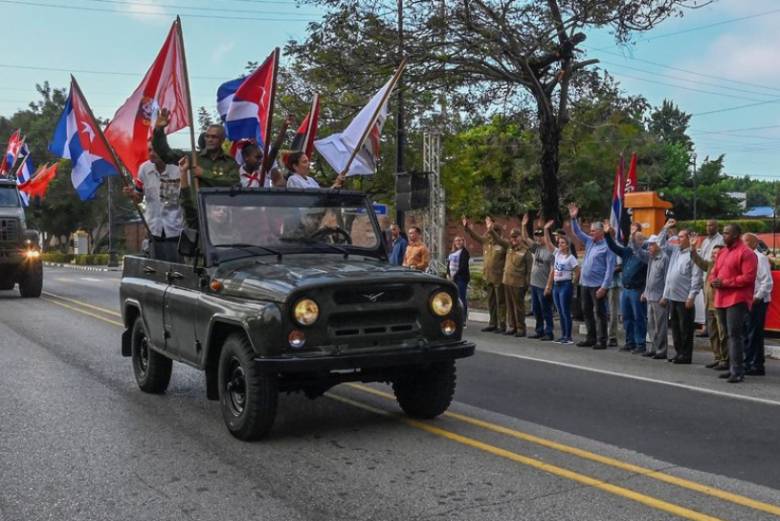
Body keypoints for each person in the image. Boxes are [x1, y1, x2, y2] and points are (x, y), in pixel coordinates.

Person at [152, 108, 239, 227]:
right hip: (197, 215)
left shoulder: (229, 162)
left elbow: (234, 184)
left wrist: (204, 173)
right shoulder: (193, 157)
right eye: (207, 136)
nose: (209, 140)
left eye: (214, 137)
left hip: (223, 217)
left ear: (222, 140)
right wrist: (159, 131)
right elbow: (166, 154)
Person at [710, 224, 757, 383]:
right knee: (728, 335)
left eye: (727, 233)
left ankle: (737, 371)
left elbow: (748, 278)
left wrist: (725, 283)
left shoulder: (746, 253)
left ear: (737, 235)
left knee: (734, 335)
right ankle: (731, 367)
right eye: (723, 233)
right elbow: (713, 272)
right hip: (720, 298)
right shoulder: (722, 252)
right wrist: (713, 281)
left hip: (737, 299)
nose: (724, 236)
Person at [124, 142, 183, 262]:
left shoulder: (178, 170)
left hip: (175, 231)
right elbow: (139, 197)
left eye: (154, 150)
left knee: (176, 271)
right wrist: (131, 195)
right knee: (155, 272)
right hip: (153, 230)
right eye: (149, 150)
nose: (151, 153)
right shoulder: (144, 169)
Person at [567, 203, 616, 350]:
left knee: (600, 314)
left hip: (598, 285)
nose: (591, 232)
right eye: (591, 230)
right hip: (585, 283)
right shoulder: (590, 242)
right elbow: (577, 232)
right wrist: (574, 218)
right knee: (586, 311)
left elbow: (610, 268)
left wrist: (604, 286)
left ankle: (602, 340)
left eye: (594, 231)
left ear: (602, 232)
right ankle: (591, 337)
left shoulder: (608, 246)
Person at [658, 219, 703, 364]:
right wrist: (665, 228)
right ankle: (679, 353)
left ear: (690, 238)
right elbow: (661, 245)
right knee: (676, 329)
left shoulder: (693, 255)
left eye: (682, 237)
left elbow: (697, 277)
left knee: (686, 329)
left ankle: (686, 355)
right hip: (673, 297)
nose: (678, 239)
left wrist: (692, 296)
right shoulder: (676, 251)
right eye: (679, 236)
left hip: (685, 299)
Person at [604, 221, 649, 354]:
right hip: (626, 289)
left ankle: (640, 344)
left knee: (639, 317)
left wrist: (645, 291)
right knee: (627, 317)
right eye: (634, 238)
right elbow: (614, 248)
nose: (634, 240)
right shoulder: (628, 251)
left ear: (642, 240)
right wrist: (607, 235)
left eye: (638, 238)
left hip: (637, 290)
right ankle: (630, 342)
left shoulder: (645, 255)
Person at [463, 215, 507, 333]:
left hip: (499, 277)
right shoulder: (486, 242)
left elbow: (498, 240)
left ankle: (502, 325)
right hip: (488, 276)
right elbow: (475, 236)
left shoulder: (503, 243)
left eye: (490, 232)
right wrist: (467, 228)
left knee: (500, 302)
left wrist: (491, 229)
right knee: (491, 301)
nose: (487, 233)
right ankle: (493, 323)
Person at [691, 245, 728, 370]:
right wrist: (692, 248)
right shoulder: (711, 265)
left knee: (723, 334)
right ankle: (717, 358)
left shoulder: (725, 267)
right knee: (713, 334)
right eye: (712, 252)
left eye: (716, 253)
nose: (713, 255)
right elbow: (699, 262)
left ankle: (725, 359)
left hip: (720, 306)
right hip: (709, 306)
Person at [543, 220, 579, 344]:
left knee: (565, 311)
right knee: (559, 311)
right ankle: (563, 335)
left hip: (565, 284)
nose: (560, 245)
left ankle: (568, 336)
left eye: (563, 243)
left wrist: (573, 283)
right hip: (556, 285)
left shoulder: (571, 258)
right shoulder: (557, 253)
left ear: (567, 245)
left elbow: (577, 271)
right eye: (559, 243)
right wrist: (545, 230)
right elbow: (548, 243)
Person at [491, 227, 531, 336]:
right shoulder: (509, 247)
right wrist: (491, 229)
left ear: (520, 237)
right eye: (512, 237)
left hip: (518, 283)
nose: (513, 239)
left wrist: (526, 285)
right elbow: (498, 240)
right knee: (509, 306)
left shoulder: (525, 251)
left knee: (518, 307)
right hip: (507, 281)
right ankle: (512, 326)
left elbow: (528, 271)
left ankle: (521, 329)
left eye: (515, 237)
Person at [636, 234, 670, 359]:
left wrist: (665, 296)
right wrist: (645, 291)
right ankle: (653, 348)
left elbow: (667, 278)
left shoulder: (664, 258)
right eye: (649, 244)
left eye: (651, 244)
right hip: (650, 295)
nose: (649, 246)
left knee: (660, 325)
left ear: (658, 245)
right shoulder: (652, 257)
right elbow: (649, 276)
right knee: (650, 324)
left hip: (659, 297)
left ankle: (661, 350)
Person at [521, 213, 554, 341]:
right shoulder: (537, 248)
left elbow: (552, 270)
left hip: (543, 285)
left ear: (546, 237)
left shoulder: (551, 250)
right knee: (536, 310)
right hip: (534, 284)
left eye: (541, 236)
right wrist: (523, 225)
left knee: (546, 310)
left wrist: (549, 286)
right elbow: (525, 238)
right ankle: (539, 330)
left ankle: (549, 331)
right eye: (537, 236)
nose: (538, 238)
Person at [742, 233, 770, 376]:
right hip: (745, 300)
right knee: (749, 333)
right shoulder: (744, 258)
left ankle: (753, 364)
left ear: (754, 243)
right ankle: (754, 363)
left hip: (757, 301)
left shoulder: (760, 258)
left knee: (754, 333)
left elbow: (767, 282)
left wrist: (757, 297)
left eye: (746, 241)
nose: (743, 244)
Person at [446, 236, 471, 321]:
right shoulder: (452, 252)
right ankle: (455, 316)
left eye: (460, 240)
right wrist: (448, 274)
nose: (458, 242)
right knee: (453, 297)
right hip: (452, 278)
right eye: (456, 240)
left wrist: (454, 276)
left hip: (461, 278)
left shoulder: (464, 252)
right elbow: (448, 264)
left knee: (461, 298)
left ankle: (463, 318)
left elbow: (463, 266)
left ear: (463, 242)